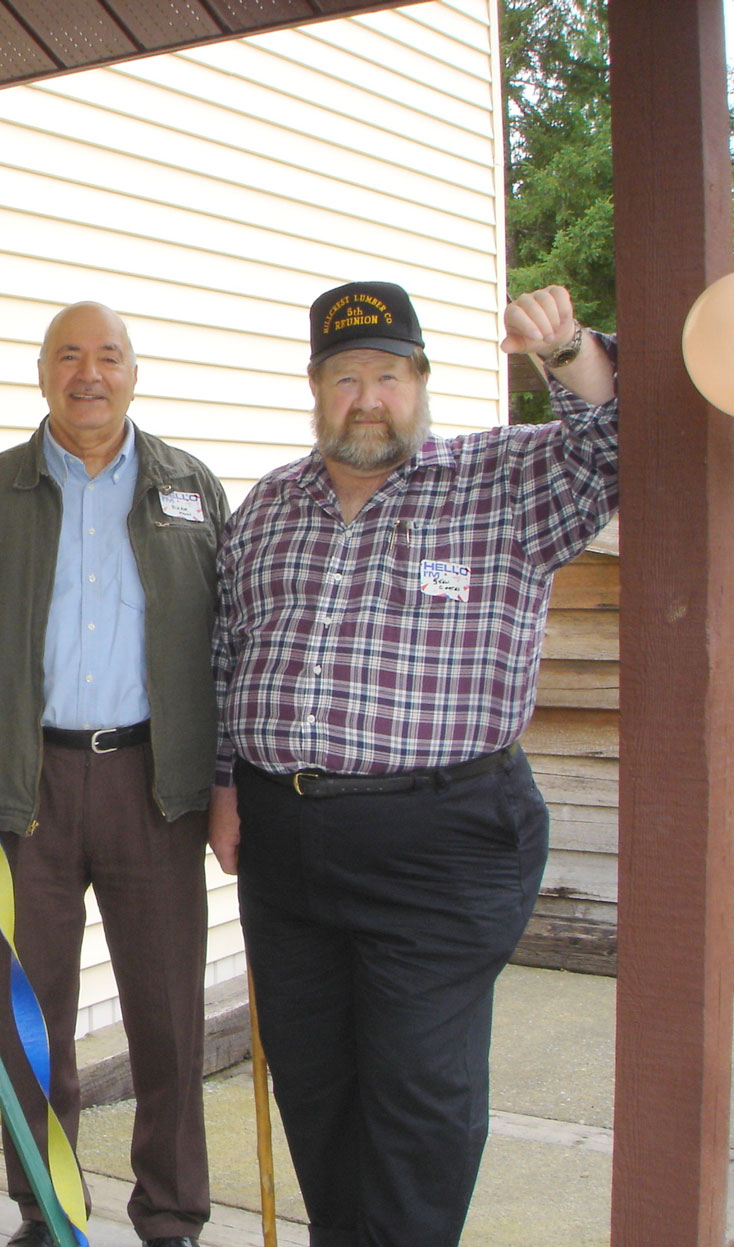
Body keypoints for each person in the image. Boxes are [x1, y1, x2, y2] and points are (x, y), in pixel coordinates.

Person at [209, 282, 618, 1247]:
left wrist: (565, 356)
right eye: (346, 376)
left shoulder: (505, 480)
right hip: (286, 844)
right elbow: (228, 653)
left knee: (417, 1100)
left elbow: (613, 449)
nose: (367, 397)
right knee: (316, 1086)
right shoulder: (268, 505)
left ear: (421, 382)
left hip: (444, 843)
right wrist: (225, 786)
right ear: (316, 388)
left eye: (388, 375)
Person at [0, 301, 227, 1247]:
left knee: (169, 1014)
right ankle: (46, 1208)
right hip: (31, 788)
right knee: (31, 1017)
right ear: (42, 373)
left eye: (108, 356)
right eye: (70, 355)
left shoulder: (190, 488)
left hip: (157, 782)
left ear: (135, 373)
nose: (89, 373)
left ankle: (172, 1215)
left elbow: (230, 643)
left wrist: (225, 787)